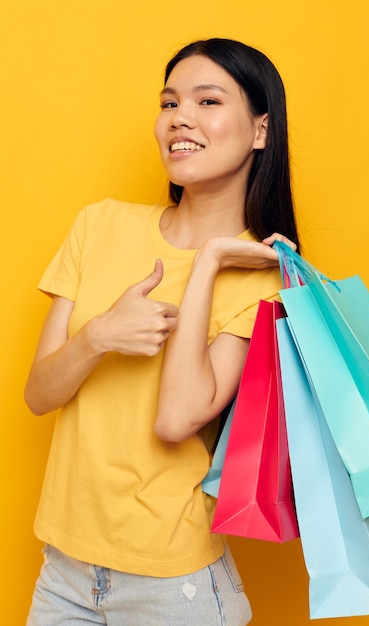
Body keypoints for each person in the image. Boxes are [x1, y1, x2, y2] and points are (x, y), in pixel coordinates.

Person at [25, 37, 299, 625]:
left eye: (207, 101)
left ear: (260, 130)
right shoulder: (98, 224)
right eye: (170, 102)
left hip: (175, 587)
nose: (181, 118)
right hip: (65, 568)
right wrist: (100, 334)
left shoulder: (261, 279)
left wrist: (209, 263)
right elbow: (39, 395)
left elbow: (176, 420)